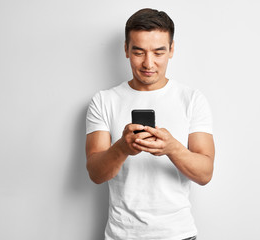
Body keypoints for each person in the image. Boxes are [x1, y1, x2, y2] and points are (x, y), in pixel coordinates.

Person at [85, 8, 215, 240]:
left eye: (158, 52)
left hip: (178, 234)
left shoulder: (192, 99)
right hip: (121, 235)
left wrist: (172, 148)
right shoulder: (104, 101)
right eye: (138, 52)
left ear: (171, 50)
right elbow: (95, 173)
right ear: (126, 49)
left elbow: (205, 173)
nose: (148, 63)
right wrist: (122, 148)